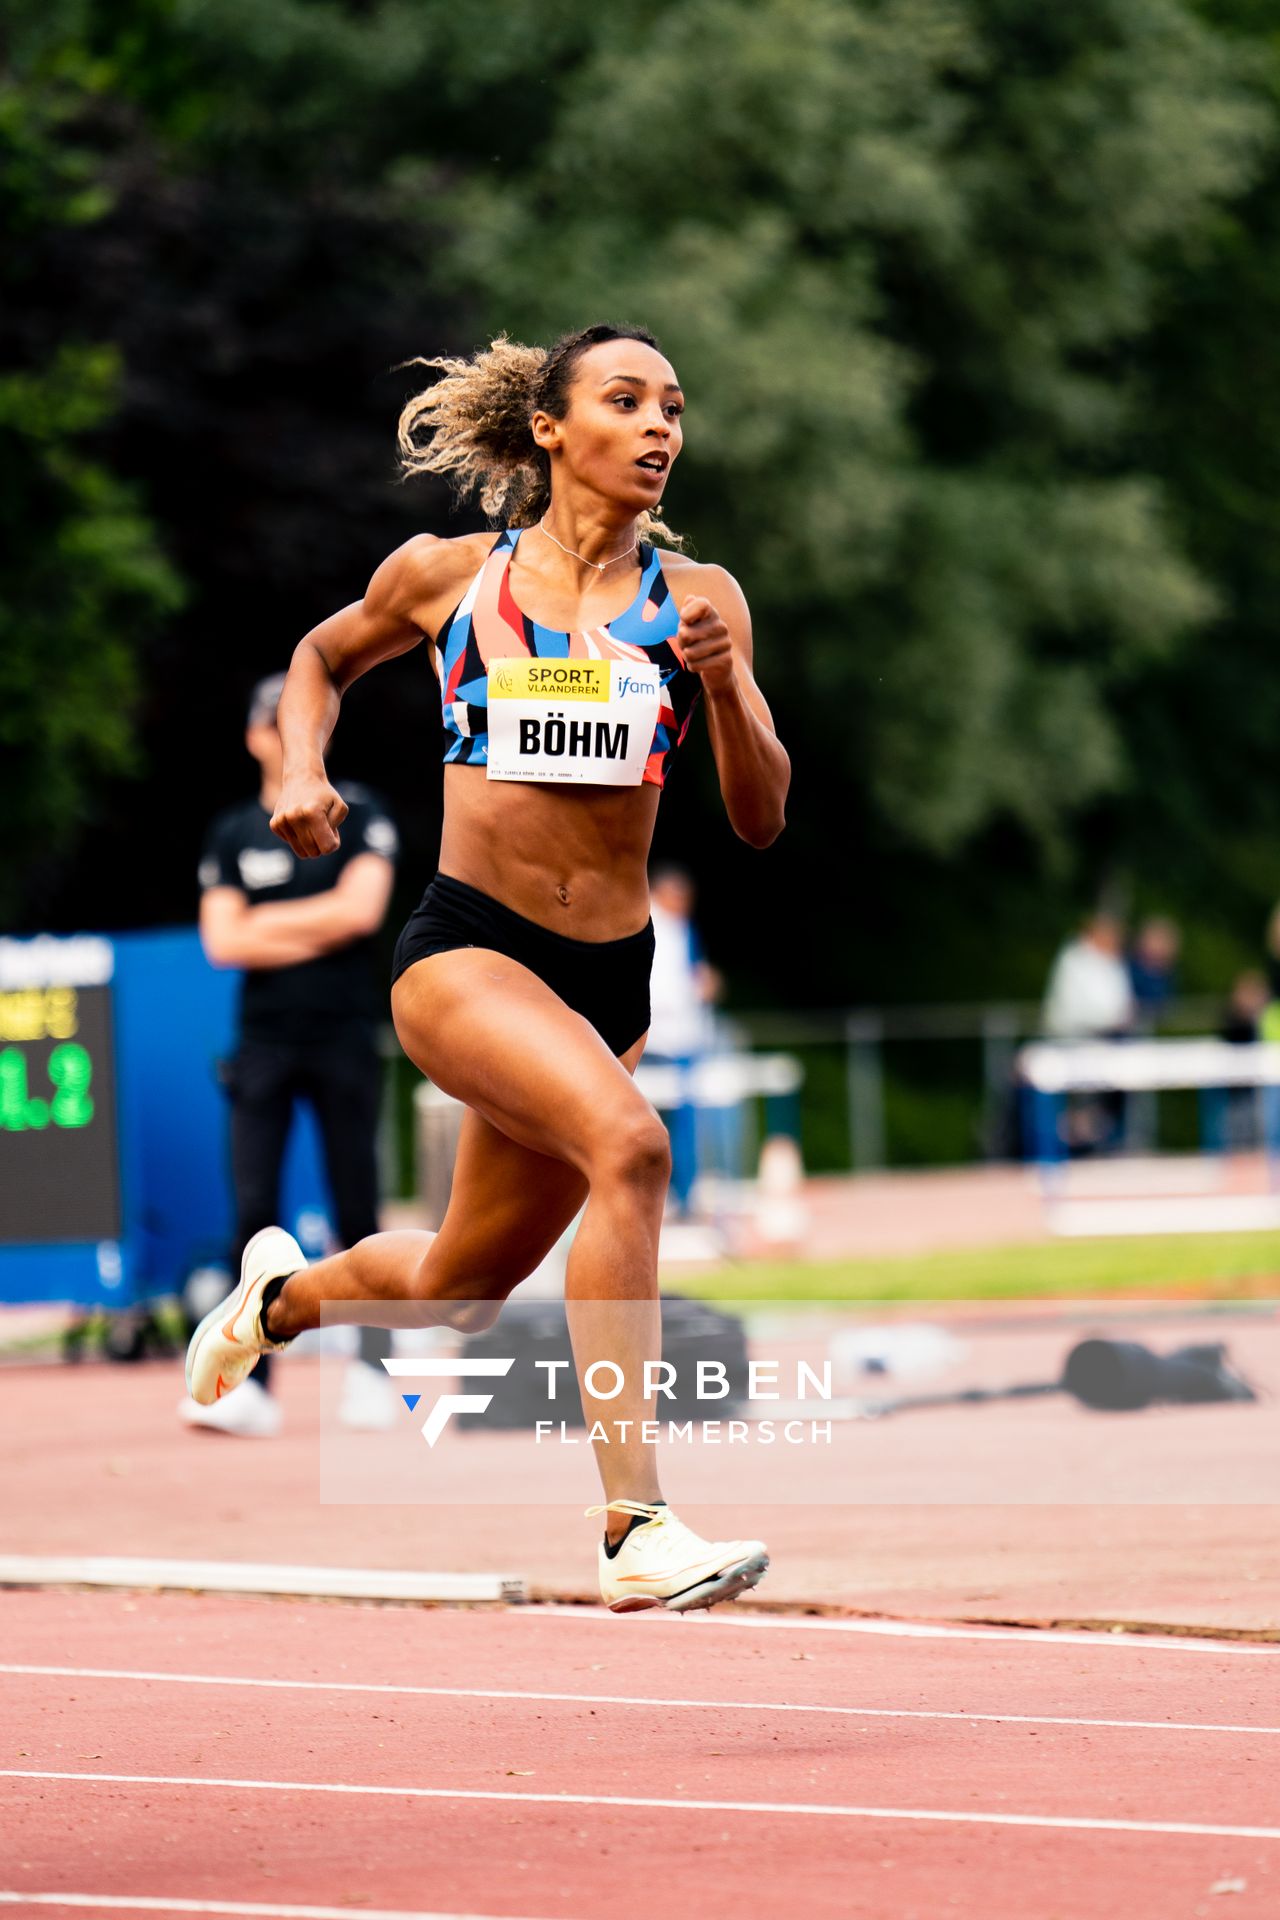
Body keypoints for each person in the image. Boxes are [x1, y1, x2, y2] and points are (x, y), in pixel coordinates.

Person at [185, 324, 790, 1610]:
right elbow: (317, 661)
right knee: (630, 1150)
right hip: (466, 949)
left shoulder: (700, 601)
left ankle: (279, 1300)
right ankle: (635, 1525)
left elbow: (758, 816)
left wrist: (727, 692)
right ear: (551, 430)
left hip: (606, 979)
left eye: (673, 408)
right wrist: (300, 767)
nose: (658, 428)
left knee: (460, 1289)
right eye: (625, 402)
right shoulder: (452, 576)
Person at [181, 672, 399, 1437]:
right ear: (254, 736)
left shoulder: (363, 812)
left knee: (357, 1211)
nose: (291, 731)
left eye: (302, 718)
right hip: (263, 1044)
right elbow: (222, 941)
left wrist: (268, 925)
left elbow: (363, 911)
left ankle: (377, 1373)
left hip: (344, 1034)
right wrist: (322, 921)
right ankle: (251, 1387)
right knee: (253, 1213)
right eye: (277, 720)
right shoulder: (233, 830)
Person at [646, 863, 721, 1215]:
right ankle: (667, 1197)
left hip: (682, 1040)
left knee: (684, 1126)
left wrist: (701, 984)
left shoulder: (681, 929)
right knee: (655, 1126)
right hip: (656, 1042)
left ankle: (682, 1197)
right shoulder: (649, 924)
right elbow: (662, 990)